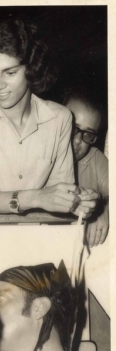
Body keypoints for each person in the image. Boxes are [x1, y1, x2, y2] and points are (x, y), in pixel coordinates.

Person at [0, 18, 98, 219]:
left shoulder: (59, 119)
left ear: (32, 68)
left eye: (9, 72)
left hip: (31, 236)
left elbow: (57, 200)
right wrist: (35, 198)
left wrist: (77, 202)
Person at [62, 86, 109, 247]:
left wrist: (104, 209)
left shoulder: (95, 158)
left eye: (88, 134)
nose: (77, 140)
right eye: (72, 128)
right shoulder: (33, 150)